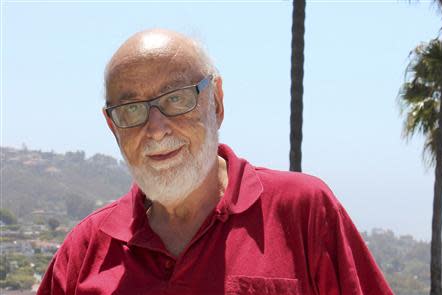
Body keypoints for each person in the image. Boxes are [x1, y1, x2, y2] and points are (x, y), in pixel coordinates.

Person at [37, 29, 394, 295]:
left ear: (216, 103)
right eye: (132, 110)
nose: (156, 129)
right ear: (114, 128)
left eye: (176, 99)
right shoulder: (84, 252)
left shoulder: (303, 211)